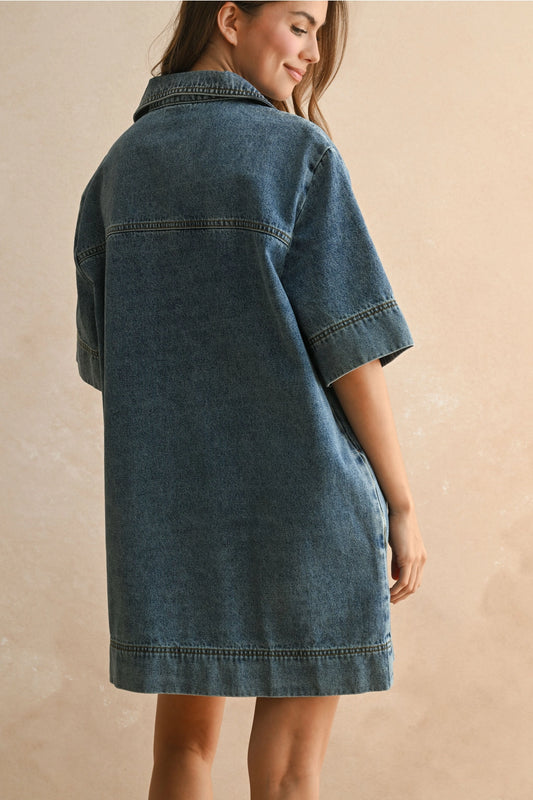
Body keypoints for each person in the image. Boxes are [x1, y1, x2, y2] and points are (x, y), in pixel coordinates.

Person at [73, 1, 427, 797]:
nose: (311, 52)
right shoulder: (295, 153)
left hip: (168, 511)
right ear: (230, 18)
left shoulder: (119, 170)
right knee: (291, 776)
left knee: (180, 751)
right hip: (305, 504)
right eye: (299, 24)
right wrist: (401, 504)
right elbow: (351, 349)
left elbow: (108, 366)